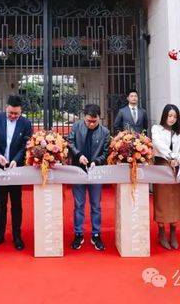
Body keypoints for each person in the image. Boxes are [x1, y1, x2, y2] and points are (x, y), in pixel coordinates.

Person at [0, 95, 33, 251]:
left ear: (21, 111)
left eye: (16, 114)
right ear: (6, 108)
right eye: (11, 113)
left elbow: (25, 145)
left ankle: (17, 236)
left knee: (16, 203)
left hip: (16, 168)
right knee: (0, 203)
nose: (13, 116)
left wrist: (16, 160)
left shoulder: (26, 123)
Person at [66, 104, 110, 251]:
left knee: (96, 205)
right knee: (78, 205)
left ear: (99, 118)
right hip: (78, 170)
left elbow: (106, 152)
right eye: (88, 121)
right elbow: (70, 142)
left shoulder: (105, 132)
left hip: (95, 171)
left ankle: (96, 234)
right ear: (84, 117)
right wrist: (78, 155)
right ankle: (78, 234)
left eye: (94, 121)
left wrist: (96, 161)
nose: (91, 124)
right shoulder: (76, 126)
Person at [151, 104, 180, 250]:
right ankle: (161, 231)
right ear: (165, 115)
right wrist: (172, 156)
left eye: (175, 117)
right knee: (161, 199)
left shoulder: (179, 134)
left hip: (175, 168)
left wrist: (179, 159)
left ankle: (173, 232)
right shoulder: (156, 129)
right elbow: (158, 144)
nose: (172, 119)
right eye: (170, 115)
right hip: (161, 166)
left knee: (174, 200)